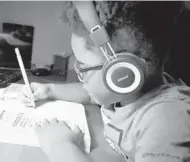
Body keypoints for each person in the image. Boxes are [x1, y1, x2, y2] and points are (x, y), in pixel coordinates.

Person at [21, 1, 190, 162]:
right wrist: (49, 90)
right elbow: (91, 95)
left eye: (83, 67)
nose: (80, 75)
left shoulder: (166, 121)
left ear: (121, 73)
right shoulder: (123, 96)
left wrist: (60, 146)